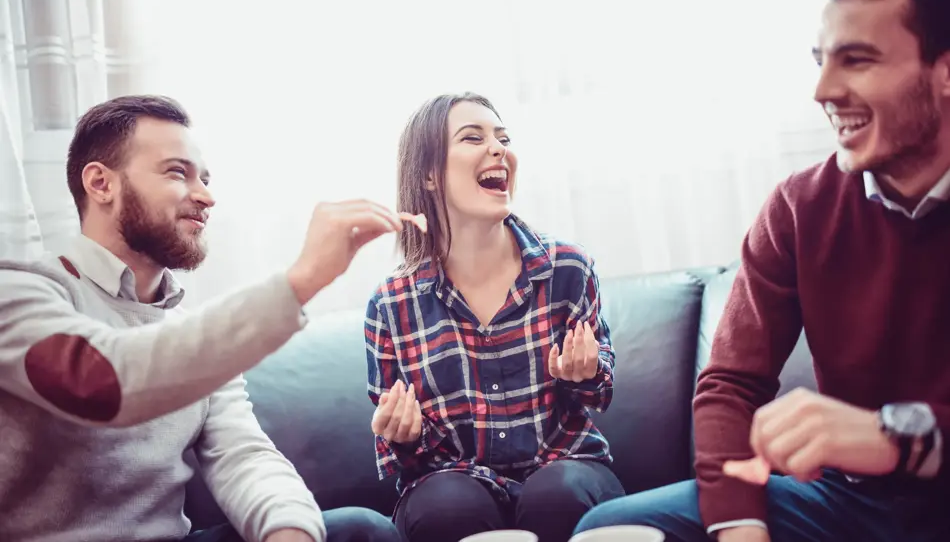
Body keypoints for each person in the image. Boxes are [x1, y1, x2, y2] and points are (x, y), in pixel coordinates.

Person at [574, 0, 950, 542]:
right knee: (610, 529)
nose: (824, 89)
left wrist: (901, 437)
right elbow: (730, 385)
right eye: (821, 61)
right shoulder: (801, 206)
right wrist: (738, 522)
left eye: (857, 60)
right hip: (845, 500)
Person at [0, 95, 403, 542]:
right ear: (100, 183)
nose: (206, 197)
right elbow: (102, 380)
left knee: (363, 531)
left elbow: (243, 455)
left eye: (205, 179)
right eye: (177, 172)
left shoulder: (192, 335)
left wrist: (290, 531)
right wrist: (302, 280)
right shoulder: (18, 293)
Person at [363, 92, 625, 542]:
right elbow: (401, 456)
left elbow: (598, 395)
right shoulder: (391, 304)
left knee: (555, 494)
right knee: (446, 507)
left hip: (567, 470)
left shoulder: (568, 269)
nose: (498, 148)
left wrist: (584, 373)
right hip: (451, 485)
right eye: (473, 137)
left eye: (503, 137)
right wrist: (402, 435)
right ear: (428, 174)